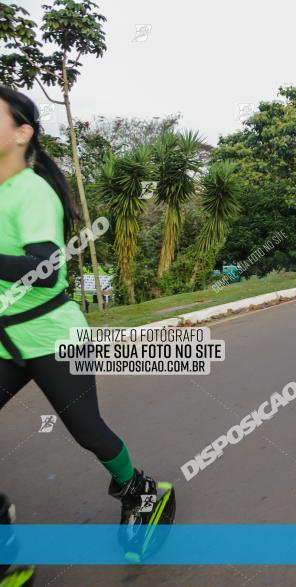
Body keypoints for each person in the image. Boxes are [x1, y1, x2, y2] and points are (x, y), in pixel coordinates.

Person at [0, 86, 174, 559]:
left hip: (54, 337)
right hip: (6, 341)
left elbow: (45, 270)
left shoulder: (31, 191)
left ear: (22, 133)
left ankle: (138, 488)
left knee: (86, 430)